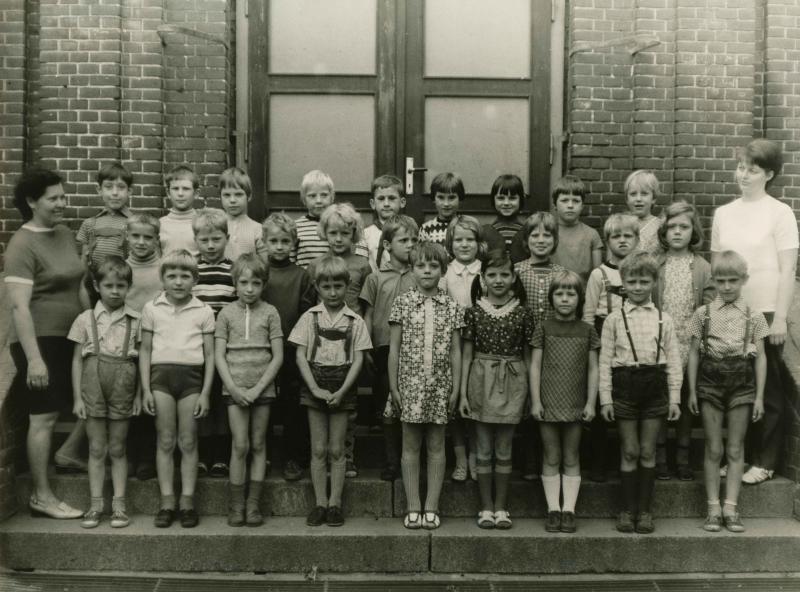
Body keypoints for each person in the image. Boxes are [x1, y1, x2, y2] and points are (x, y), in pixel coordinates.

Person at [710, 139, 798, 485]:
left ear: (769, 174)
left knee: (769, 389)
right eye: (740, 167)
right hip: (732, 312)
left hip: (766, 312)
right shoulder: (724, 214)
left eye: (752, 170)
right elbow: (718, 265)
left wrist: (780, 318)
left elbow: (787, 270)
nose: (743, 175)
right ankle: (738, 456)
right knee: (735, 388)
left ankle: (766, 460)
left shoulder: (780, 213)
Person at [6, 167, 85, 518]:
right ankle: (41, 495)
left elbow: (78, 284)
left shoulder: (65, 233)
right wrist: (34, 359)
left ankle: (69, 452)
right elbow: (19, 308)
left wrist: (92, 326)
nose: (62, 203)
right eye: (54, 198)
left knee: (92, 398)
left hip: (72, 337)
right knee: (44, 417)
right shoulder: (21, 244)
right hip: (40, 340)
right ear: (32, 201)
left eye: (63, 196)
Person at [599, 251, 682, 534]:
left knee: (648, 450)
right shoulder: (614, 319)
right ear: (623, 283)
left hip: (654, 386)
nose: (637, 287)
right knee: (630, 450)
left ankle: (644, 511)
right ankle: (626, 509)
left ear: (654, 282)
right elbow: (604, 362)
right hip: (624, 384)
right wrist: (606, 399)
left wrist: (675, 398)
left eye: (644, 281)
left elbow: (673, 361)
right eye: (632, 282)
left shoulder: (664, 319)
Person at [687, 251, 769, 533]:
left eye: (733, 280)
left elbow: (761, 357)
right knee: (714, 447)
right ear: (714, 280)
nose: (726, 286)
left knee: (735, 448)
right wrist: (692, 391)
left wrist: (759, 397)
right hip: (710, 381)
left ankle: (731, 508)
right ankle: (713, 508)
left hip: (742, 383)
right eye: (721, 281)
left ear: (744, 280)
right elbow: (694, 353)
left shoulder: (754, 315)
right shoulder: (703, 314)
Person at [288, 255, 372, 527]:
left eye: (338, 286)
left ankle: (335, 504)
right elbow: (300, 356)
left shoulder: (355, 321)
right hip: (314, 386)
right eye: (326, 287)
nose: (333, 292)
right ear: (317, 287)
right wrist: (314, 388)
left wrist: (343, 390)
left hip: (342, 386)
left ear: (347, 286)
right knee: (318, 449)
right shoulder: (309, 317)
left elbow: (358, 359)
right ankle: (320, 503)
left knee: (337, 450)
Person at [388, 242, 464, 531]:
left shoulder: (451, 306)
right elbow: (394, 349)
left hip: (440, 385)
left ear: (443, 270)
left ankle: (431, 506)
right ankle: (413, 506)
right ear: (412, 270)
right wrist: (394, 387)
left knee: (436, 445)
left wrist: (456, 388)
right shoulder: (402, 303)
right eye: (421, 266)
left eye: (433, 266)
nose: (427, 271)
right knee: (410, 446)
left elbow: (456, 351)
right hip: (410, 384)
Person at [140, 250, 215, 528]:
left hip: (191, 380)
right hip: (160, 379)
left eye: (185, 276)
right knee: (165, 440)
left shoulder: (204, 310)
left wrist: (205, 392)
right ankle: (167, 501)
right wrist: (145, 389)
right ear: (162, 279)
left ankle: (187, 502)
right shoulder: (152, 308)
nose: (179, 281)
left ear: (195, 279)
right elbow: (145, 350)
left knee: (188, 440)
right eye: (172, 276)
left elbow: (210, 354)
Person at [459, 249, 533, 529]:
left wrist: (530, 393)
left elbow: (528, 357)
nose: (498, 280)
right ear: (483, 278)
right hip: (480, 379)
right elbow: (466, 355)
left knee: (504, 448)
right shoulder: (474, 312)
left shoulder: (523, 313)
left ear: (513, 277)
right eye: (492, 275)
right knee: (483, 448)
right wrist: (463, 394)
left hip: (512, 380)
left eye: (504, 274)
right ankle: (485, 507)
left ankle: (501, 507)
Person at [68, 256, 141, 528]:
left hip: (123, 383)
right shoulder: (84, 319)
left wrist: (139, 395)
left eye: (121, 286)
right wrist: (77, 398)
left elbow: (141, 361)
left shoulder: (136, 320)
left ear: (128, 287)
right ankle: (95, 504)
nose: (115, 291)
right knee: (97, 448)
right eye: (109, 286)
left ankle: (119, 505)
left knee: (118, 447)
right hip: (92, 383)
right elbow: (77, 361)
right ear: (97, 286)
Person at [215, 254, 284, 527]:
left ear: (264, 284)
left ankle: (253, 505)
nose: (249, 288)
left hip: (262, 390)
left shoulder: (270, 312)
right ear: (235, 283)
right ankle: (236, 505)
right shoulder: (226, 313)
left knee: (258, 444)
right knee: (240, 445)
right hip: (234, 390)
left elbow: (277, 356)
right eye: (243, 282)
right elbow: (219, 356)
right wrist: (233, 388)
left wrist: (258, 389)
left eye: (256, 283)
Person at [531, 270, 599, 534]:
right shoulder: (543, 328)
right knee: (551, 455)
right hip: (548, 401)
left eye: (571, 294)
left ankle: (568, 509)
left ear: (580, 298)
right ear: (551, 298)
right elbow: (535, 366)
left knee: (571, 455)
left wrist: (590, 402)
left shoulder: (588, 330)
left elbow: (593, 368)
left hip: (575, 402)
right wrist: (536, 401)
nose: (565, 298)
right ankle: (553, 509)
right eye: (559, 293)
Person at [307, 203, 372, 478]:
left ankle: (346, 456)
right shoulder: (316, 265)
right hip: (323, 339)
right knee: (322, 397)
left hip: (352, 337)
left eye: (345, 233)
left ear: (353, 234)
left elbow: (367, 305)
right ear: (324, 232)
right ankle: (321, 455)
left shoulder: (362, 265)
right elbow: (311, 304)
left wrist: (365, 341)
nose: (338, 239)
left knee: (349, 402)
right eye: (333, 233)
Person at [652, 201, 714, 481]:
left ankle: (683, 456)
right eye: (672, 227)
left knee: (688, 399)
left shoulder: (702, 267)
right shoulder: (655, 264)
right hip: (661, 343)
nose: (677, 232)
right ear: (664, 232)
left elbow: (709, 306)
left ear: (694, 231)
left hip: (689, 345)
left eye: (684, 227)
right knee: (662, 399)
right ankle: (660, 456)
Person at [360, 215, 419, 481]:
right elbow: (369, 314)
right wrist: (366, 347)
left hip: (414, 349)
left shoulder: (419, 276)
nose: (410, 245)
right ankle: (392, 461)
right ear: (387, 245)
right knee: (388, 406)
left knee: (411, 407)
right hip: (384, 348)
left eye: (414, 240)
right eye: (403, 240)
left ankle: (411, 460)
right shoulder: (375, 278)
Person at [582, 213, 639, 482]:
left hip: (633, 340)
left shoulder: (639, 272)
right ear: (607, 241)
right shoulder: (599, 274)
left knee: (627, 399)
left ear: (637, 240)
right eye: (616, 236)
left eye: (628, 236)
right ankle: (599, 461)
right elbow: (588, 313)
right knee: (600, 396)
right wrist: (590, 346)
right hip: (602, 336)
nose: (622, 241)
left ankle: (627, 458)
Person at [261, 213, 316, 481]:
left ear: (294, 243)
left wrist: (295, 345)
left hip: (293, 350)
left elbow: (306, 314)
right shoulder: (259, 273)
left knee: (294, 406)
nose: (280, 246)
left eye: (285, 241)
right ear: (264, 242)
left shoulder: (302, 276)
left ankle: (294, 457)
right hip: (262, 350)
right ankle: (263, 455)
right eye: (274, 241)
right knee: (265, 404)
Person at [514, 211, 565, 481]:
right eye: (535, 235)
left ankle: (551, 459)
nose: (541, 240)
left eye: (547, 235)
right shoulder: (516, 271)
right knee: (527, 398)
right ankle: (529, 460)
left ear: (555, 240)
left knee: (549, 399)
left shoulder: (562, 274)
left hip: (554, 347)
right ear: (526, 240)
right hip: (523, 347)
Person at [191, 208, 236, 478]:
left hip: (226, 348)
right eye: (204, 240)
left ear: (227, 238)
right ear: (195, 240)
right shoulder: (191, 270)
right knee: (202, 398)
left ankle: (221, 455)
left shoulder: (234, 271)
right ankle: (202, 454)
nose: (210, 245)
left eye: (216, 239)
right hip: (197, 347)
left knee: (222, 400)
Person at [443, 215, 486, 482]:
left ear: (479, 243)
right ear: (450, 244)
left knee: (476, 399)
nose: (464, 244)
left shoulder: (486, 271)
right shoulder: (446, 273)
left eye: (470, 239)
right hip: (454, 345)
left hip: (481, 345)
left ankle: (475, 456)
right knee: (456, 399)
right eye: (458, 240)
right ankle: (460, 458)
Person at [124, 213, 163, 481]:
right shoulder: (121, 268)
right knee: (128, 398)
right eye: (135, 236)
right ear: (127, 237)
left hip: (155, 343)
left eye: (147, 237)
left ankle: (148, 457)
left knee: (150, 398)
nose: (141, 242)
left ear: (157, 239)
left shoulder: (163, 269)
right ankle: (128, 455)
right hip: (126, 342)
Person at [293, 170, 368, 270]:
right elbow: (291, 263)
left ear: (332, 197)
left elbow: (358, 258)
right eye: (312, 196)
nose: (318, 201)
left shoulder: (345, 223)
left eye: (324, 195)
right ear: (304, 199)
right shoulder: (296, 227)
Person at [77, 162, 133, 272]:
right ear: (99, 190)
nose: (115, 193)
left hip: (124, 280)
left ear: (129, 191)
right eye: (108, 187)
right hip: (94, 279)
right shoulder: (89, 224)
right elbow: (84, 260)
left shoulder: (135, 223)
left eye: (121, 187)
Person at [550, 175, 603, 283]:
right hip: (553, 290)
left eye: (576, 201)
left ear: (582, 205)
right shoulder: (548, 232)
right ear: (555, 205)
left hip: (584, 291)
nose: (570, 205)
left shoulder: (591, 234)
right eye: (564, 200)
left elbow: (598, 277)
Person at [218, 166, 268, 262]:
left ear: (249, 196)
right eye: (227, 195)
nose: (232, 200)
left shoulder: (257, 229)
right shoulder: (216, 227)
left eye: (238, 194)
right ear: (220, 197)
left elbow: (264, 264)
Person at [364, 174, 406, 272]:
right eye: (381, 199)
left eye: (392, 198)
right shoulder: (365, 235)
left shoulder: (408, 233)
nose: (386, 204)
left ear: (402, 202)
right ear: (373, 204)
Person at [482, 174, 526, 260]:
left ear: (521, 200)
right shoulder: (485, 232)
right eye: (501, 198)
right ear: (493, 200)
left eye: (512, 198)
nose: (506, 203)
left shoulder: (526, 232)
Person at [159, 165, 200, 256]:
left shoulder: (202, 222)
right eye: (175, 189)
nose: (180, 194)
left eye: (186, 189)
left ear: (196, 193)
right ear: (168, 193)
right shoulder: (160, 224)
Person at [418, 172, 465, 246]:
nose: (446, 204)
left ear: (460, 198)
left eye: (451, 197)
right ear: (434, 198)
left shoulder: (467, 225)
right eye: (441, 197)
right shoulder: (426, 229)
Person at [624, 170, 662, 254]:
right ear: (627, 199)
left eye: (644, 194)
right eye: (633, 194)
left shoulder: (660, 226)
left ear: (653, 198)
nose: (638, 199)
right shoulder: (620, 224)